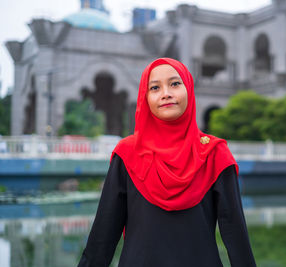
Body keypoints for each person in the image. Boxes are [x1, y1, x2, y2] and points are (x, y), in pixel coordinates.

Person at [77, 58, 256, 267]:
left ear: (189, 88)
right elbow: (104, 234)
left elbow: (235, 232)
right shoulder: (127, 154)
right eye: (154, 87)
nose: (166, 93)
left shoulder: (215, 154)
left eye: (175, 84)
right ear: (145, 98)